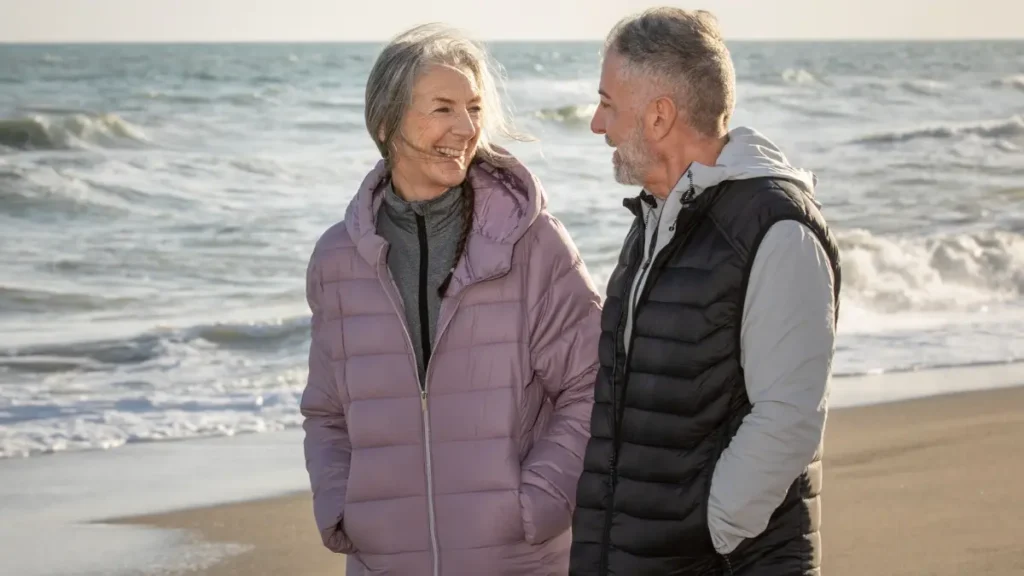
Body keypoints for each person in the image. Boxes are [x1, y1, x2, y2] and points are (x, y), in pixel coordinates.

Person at [299, 23, 602, 576]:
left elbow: (590, 384)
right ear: (386, 122)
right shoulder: (337, 259)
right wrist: (343, 508)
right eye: (443, 108)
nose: (465, 128)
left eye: (474, 108)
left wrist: (538, 503)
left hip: (518, 560)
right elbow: (327, 410)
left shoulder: (533, 244)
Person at [569, 8, 842, 576]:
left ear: (660, 116)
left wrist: (710, 528)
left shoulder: (776, 228)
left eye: (608, 104)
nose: (597, 124)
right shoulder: (657, 221)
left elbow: (788, 416)